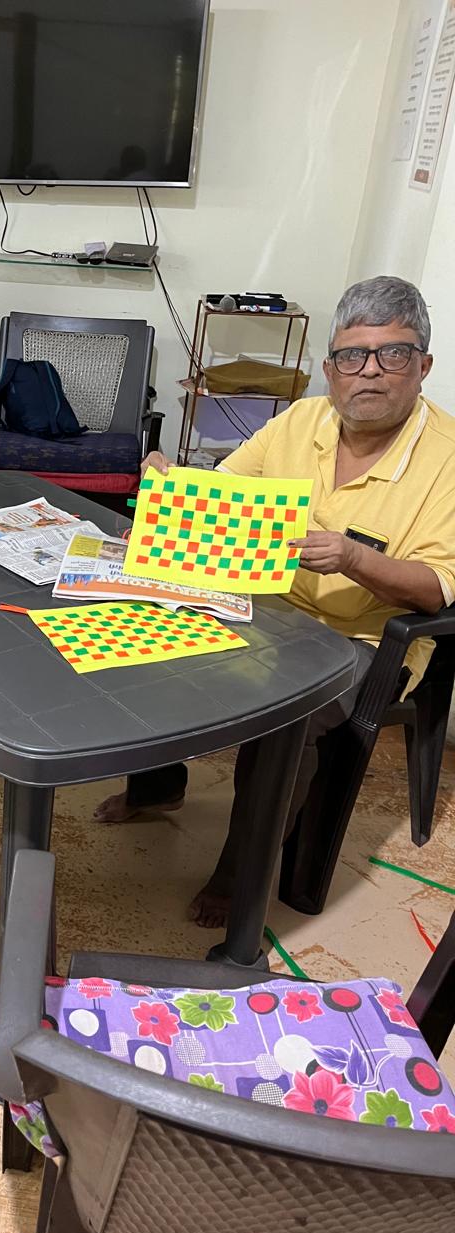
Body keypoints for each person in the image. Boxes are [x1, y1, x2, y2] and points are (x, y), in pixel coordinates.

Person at [95, 276, 455, 930]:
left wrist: (354, 558)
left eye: (392, 354)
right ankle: (159, 784)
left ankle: (240, 879)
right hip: (268, 605)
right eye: (352, 356)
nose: (370, 371)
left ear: (423, 366)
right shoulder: (301, 420)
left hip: (368, 639)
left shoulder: (447, 458)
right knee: (144, 631)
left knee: (284, 714)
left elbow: (437, 588)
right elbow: (223, 490)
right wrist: (169, 492)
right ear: (331, 368)